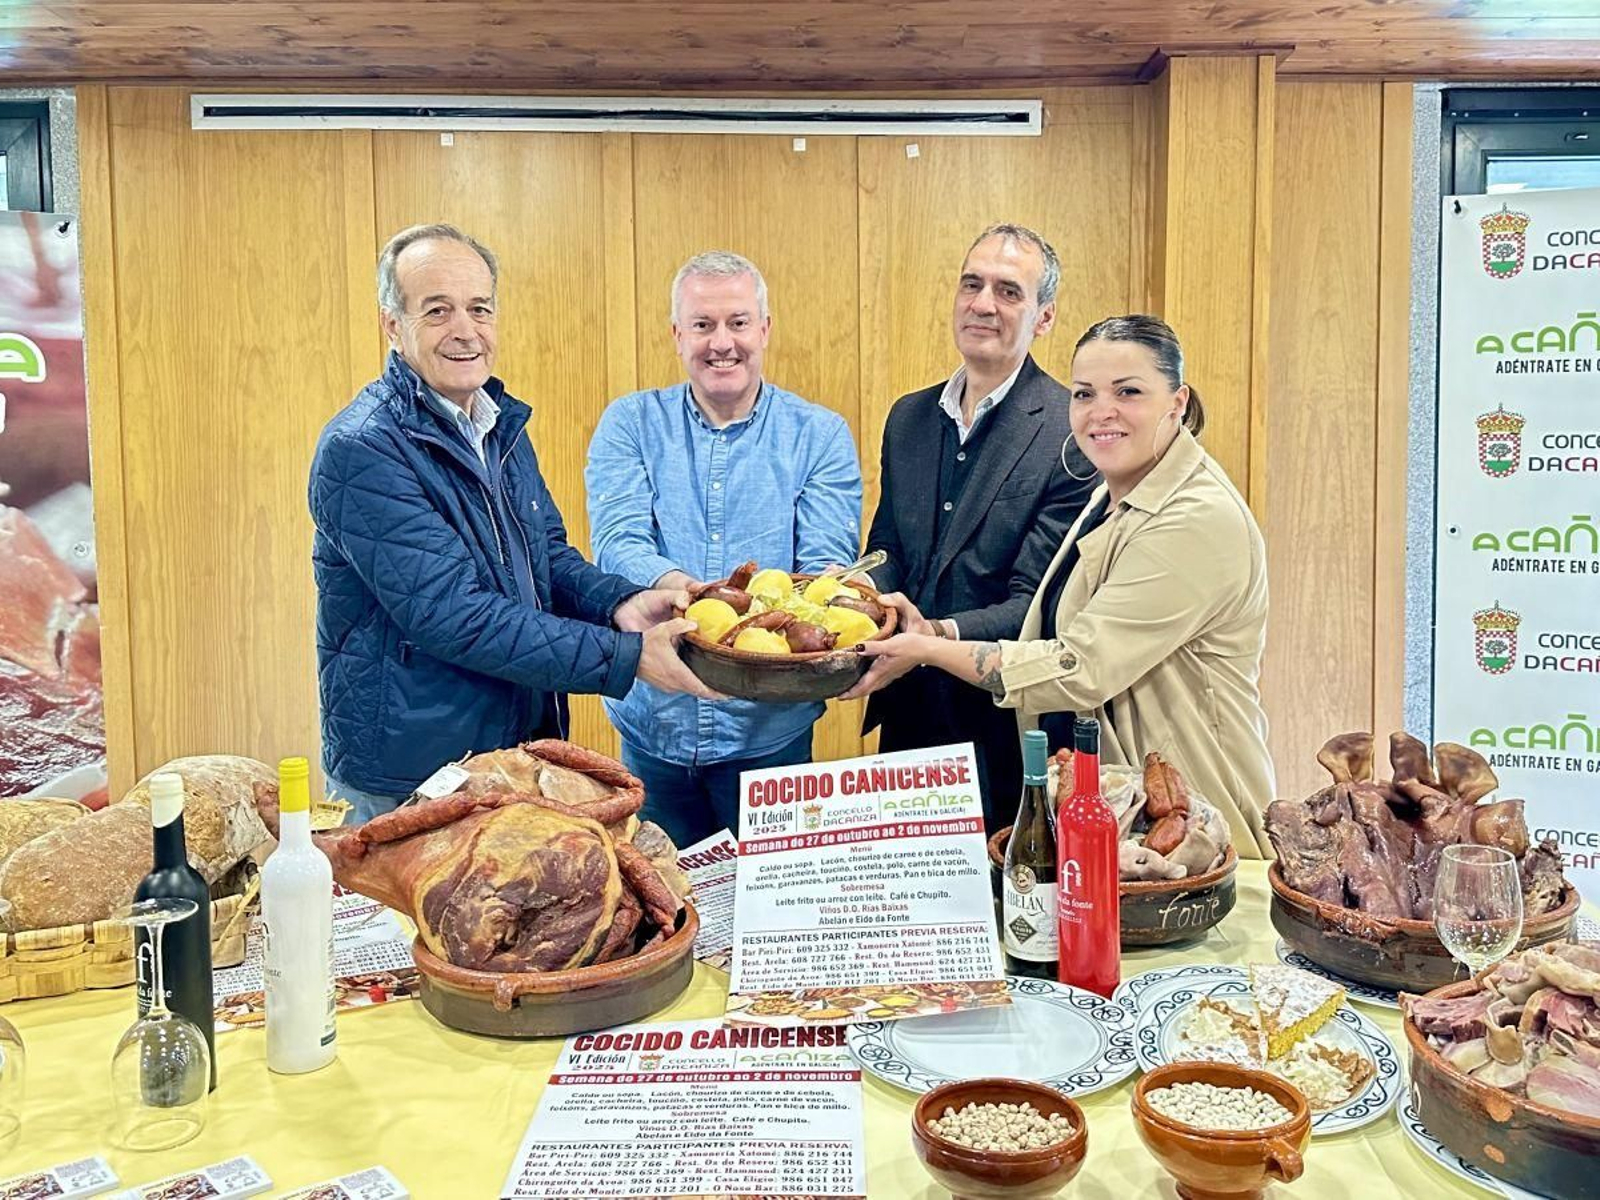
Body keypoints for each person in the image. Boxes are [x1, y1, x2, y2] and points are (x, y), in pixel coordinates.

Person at [309, 223, 716, 822]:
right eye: (437, 310)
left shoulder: (496, 425)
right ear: (393, 326)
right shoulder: (363, 449)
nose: (465, 330)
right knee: (411, 922)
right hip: (414, 775)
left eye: (479, 308)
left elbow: (547, 556)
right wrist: (623, 657)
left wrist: (624, 603)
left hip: (509, 752)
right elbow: (451, 614)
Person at [851, 315, 1275, 856]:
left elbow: (1082, 670)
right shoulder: (1111, 492)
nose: (1103, 412)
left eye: (1129, 392)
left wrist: (927, 647)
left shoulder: (1195, 517)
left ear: (1177, 402)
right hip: (1121, 813)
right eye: (1084, 393)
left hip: (1193, 822)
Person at [586, 250, 862, 845]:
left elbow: (823, 566)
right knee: (667, 914)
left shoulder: (819, 435)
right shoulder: (629, 424)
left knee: (775, 922)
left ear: (764, 329)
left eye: (738, 322)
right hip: (651, 725)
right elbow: (618, 542)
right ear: (677, 334)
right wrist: (693, 594)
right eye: (703, 325)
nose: (722, 343)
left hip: (772, 736)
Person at [847, 223, 1098, 832]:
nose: (983, 303)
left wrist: (929, 635)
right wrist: (848, 592)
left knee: (1006, 914)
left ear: (1043, 319)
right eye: (972, 284)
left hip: (1009, 729)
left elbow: (1037, 605)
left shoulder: (1072, 433)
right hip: (905, 714)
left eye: (1009, 291)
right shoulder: (907, 417)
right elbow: (888, 549)